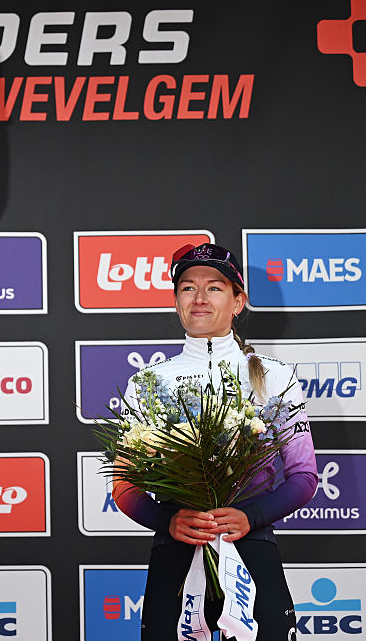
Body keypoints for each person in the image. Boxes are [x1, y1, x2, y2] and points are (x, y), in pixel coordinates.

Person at [112, 243, 317, 640]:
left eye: (215, 287)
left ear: (238, 302)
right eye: (188, 288)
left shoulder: (273, 376)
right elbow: (122, 484)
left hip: (250, 544)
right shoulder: (148, 382)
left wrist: (251, 517)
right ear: (176, 302)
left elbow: (304, 476)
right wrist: (167, 520)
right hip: (177, 547)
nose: (200, 298)